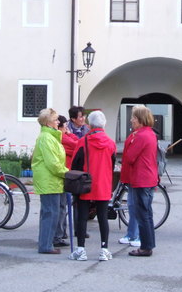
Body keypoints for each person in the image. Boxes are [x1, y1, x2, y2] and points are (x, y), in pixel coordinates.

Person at [69, 110, 116, 261]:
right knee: (102, 217)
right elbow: (112, 163)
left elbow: (75, 164)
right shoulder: (111, 143)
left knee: (82, 216)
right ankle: (104, 249)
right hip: (103, 183)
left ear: (89, 125)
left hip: (86, 183)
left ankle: (81, 250)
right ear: (104, 124)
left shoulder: (83, 142)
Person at [122, 105, 158, 257]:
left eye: (134, 118)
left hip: (141, 178)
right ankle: (148, 244)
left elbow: (130, 157)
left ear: (140, 119)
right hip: (148, 177)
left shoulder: (141, 136)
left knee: (142, 214)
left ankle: (145, 247)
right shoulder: (150, 134)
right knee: (147, 213)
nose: (131, 120)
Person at [32, 108, 68, 254]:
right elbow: (53, 163)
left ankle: (46, 244)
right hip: (49, 180)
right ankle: (46, 245)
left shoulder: (49, 137)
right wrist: (66, 173)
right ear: (48, 123)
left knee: (49, 213)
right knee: (51, 213)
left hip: (50, 180)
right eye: (55, 120)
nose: (58, 122)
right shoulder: (47, 138)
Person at [53, 115, 76, 248]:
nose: (67, 128)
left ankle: (61, 232)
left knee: (62, 205)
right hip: (64, 173)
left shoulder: (62, 137)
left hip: (65, 172)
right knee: (61, 206)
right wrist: (70, 135)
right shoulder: (62, 138)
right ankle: (59, 235)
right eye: (65, 126)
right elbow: (77, 143)